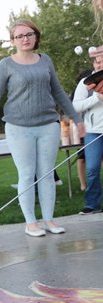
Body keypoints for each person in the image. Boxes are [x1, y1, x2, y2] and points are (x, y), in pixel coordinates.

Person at [0, 19, 85, 237]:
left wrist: (76, 119)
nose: (25, 39)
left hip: (48, 125)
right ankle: (31, 223)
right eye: (19, 36)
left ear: (36, 36)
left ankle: (49, 220)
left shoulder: (45, 60)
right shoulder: (6, 65)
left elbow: (58, 92)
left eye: (29, 34)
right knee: (27, 174)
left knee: (47, 174)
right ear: (13, 40)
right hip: (18, 127)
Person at [73, 53, 103, 215]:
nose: (100, 65)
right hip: (93, 132)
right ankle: (92, 204)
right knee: (92, 169)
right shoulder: (86, 83)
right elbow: (76, 106)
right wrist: (97, 97)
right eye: (98, 62)